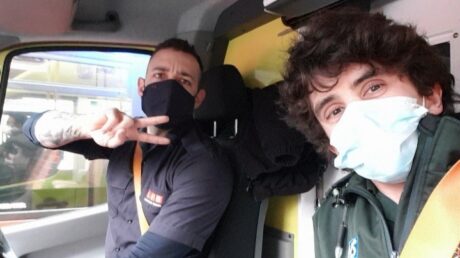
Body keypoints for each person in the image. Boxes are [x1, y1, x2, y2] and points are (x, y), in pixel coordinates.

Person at [22, 38, 233, 258]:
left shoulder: (206, 165)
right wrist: (85, 126)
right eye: (159, 75)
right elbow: (32, 129)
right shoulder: (122, 134)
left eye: (184, 81)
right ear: (142, 87)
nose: (170, 88)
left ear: (197, 99)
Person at [279, 9, 460, 258]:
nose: (357, 117)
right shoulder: (330, 218)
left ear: (431, 95)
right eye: (335, 111)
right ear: (332, 146)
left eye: (373, 88)